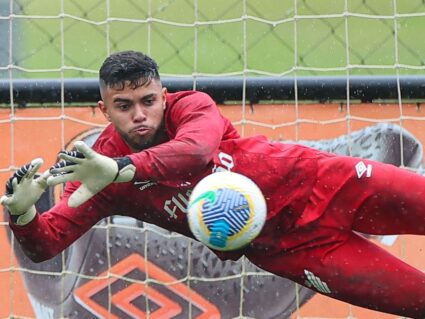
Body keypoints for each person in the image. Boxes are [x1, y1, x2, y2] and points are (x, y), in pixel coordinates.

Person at [2, 50, 425, 317]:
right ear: (103, 110)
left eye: (148, 101)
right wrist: (21, 213)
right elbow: (46, 244)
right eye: (124, 106)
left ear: (164, 97)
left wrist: (122, 168)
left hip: (328, 183)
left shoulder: (192, 107)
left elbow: (195, 153)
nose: (140, 115)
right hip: (294, 251)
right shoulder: (99, 175)